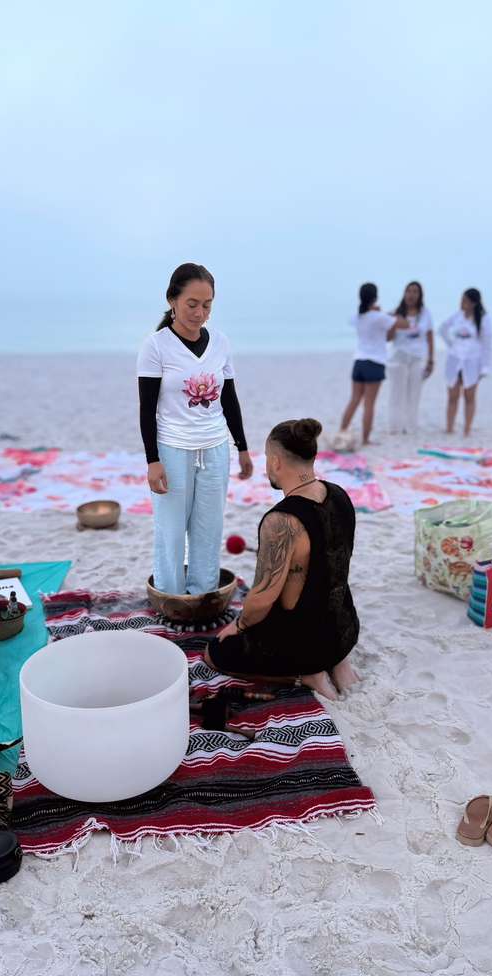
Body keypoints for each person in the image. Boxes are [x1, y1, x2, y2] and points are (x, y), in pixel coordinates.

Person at [205, 418, 359, 701]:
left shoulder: (282, 521)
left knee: (215, 653)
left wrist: (237, 626)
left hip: (305, 644)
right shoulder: (339, 495)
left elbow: (262, 599)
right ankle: (338, 662)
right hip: (345, 628)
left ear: (276, 462)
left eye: (266, 459)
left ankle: (306, 674)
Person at [137, 263, 253, 596]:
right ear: (172, 299)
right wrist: (152, 461)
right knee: (171, 531)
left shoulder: (220, 342)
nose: (199, 313)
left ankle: (202, 594)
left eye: (207, 305)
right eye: (192, 304)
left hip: (215, 450)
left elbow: (229, 399)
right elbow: (147, 409)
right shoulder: (155, 346)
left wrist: (242, 447)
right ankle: (170, 595)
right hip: (172, 450)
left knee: (208, 530)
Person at [340, 283, 410, 444]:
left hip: (358, 361)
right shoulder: (379, 317)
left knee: (354, 399)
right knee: (369, 404)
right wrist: (390, 314)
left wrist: (378, 313)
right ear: (375, 297)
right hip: (375, 362)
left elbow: (359, 321)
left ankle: (342, 432)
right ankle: (365, 439)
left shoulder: (358, 316)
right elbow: (405, 325)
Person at [440, 288, 492, 436]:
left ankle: (467, 429)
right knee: (452, 395)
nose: (461, 303)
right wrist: (451, 344)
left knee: (469, 396)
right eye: (461, 299)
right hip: (455, 359)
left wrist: (485, 367)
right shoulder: (457, 316)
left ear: (473, 303)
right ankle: (449, 428)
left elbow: (487, 344)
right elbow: (443, 328)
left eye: (465, 300)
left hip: (472, 360)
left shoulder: (483, 319)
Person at [386, 281, 434, 433]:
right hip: (398, 357)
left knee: (414, 394)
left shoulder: (425, 314)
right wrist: (393, 324)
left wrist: (431, 360)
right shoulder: (395, 313)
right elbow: (388, 338)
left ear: (420, 295)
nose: (411, 295)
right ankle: (395, 426)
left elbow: (430, 336)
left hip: (417, 358)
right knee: (396, 393)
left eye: (415, 292)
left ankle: (410, 426)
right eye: (409, 291)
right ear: (404, 293)